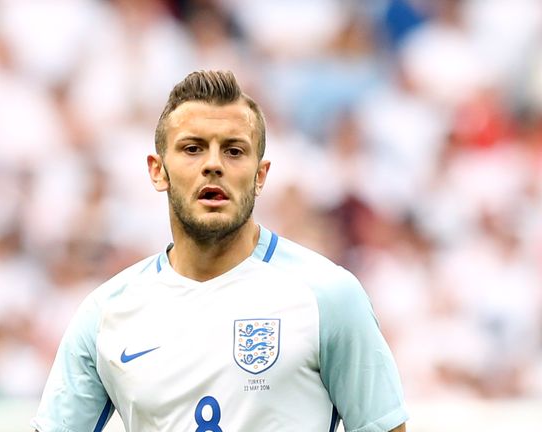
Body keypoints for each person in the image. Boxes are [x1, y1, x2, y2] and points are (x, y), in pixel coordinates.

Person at [31, 70, 408, 432]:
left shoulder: (328, 296)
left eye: (233, 150)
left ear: (260, 175)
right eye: (193, 148)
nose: (213, 165)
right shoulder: (106, 312)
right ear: (158, 170)